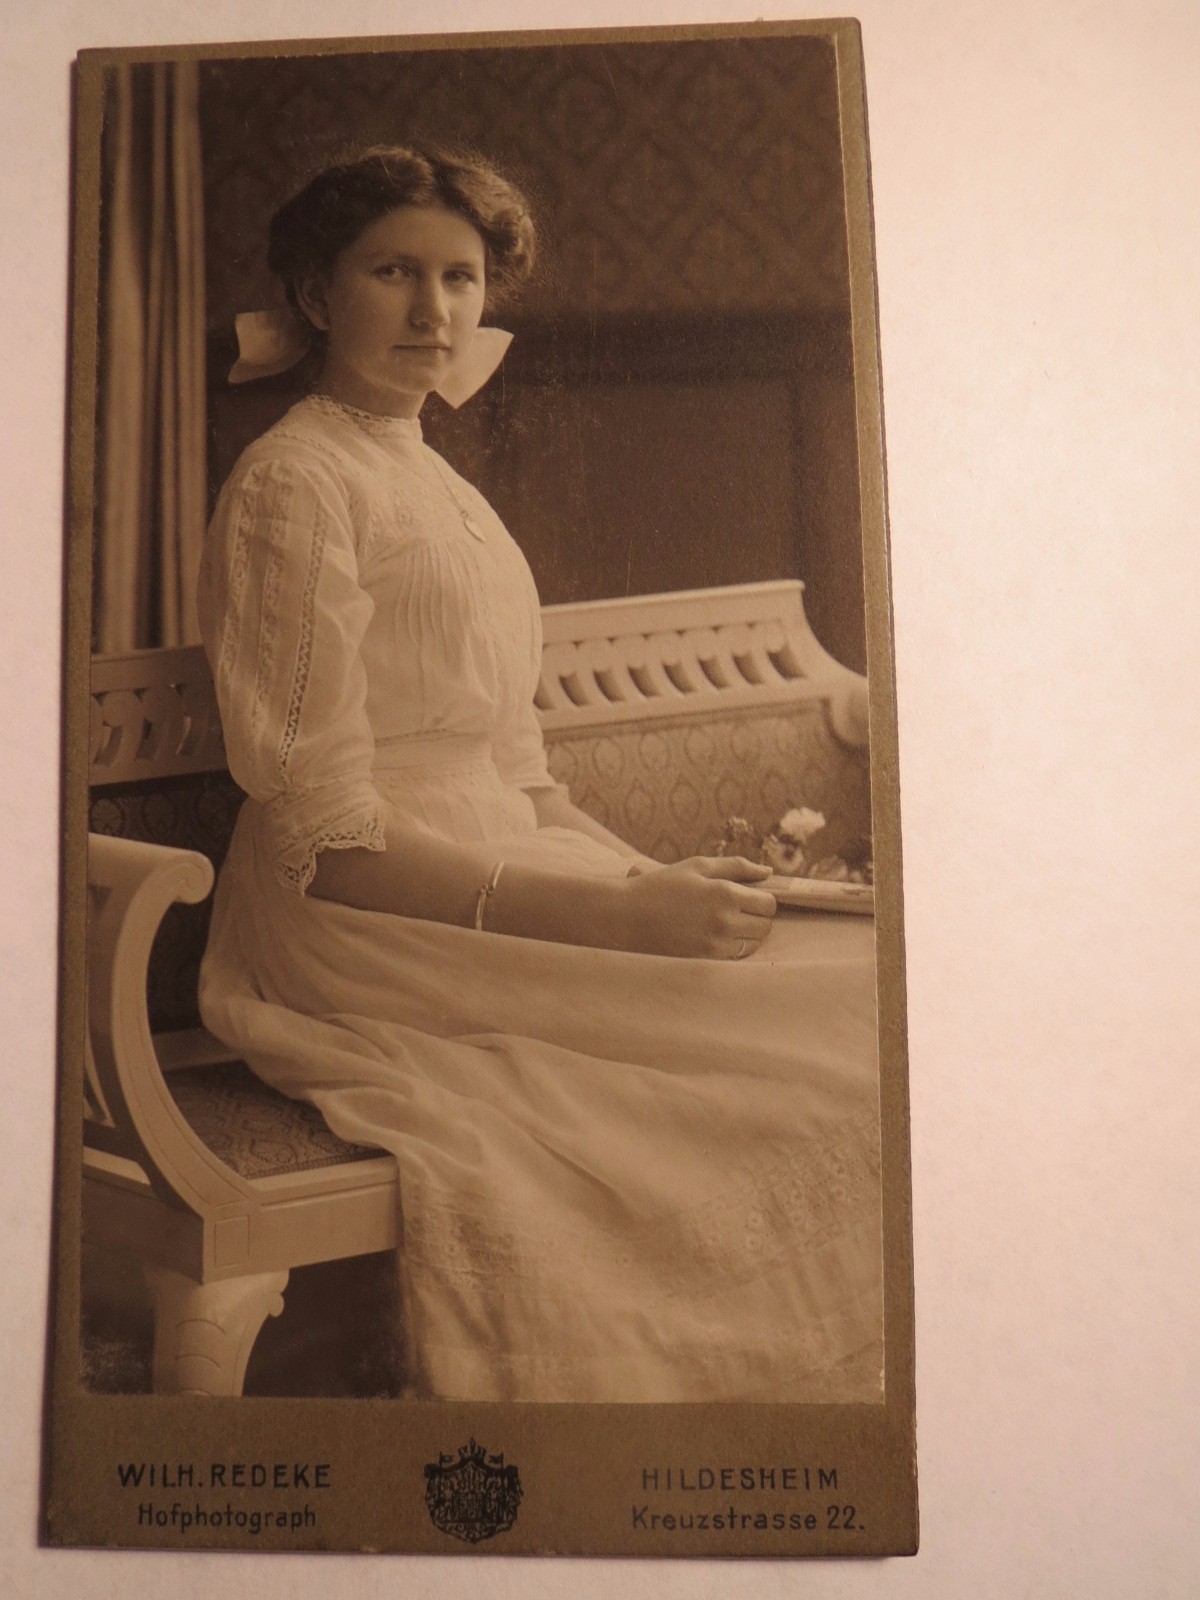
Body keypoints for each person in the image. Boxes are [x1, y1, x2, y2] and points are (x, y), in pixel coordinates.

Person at [197, 144, 884, 1403]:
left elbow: (520, 768)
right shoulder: (292, 485)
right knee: (812, 1057)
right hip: (357, 916)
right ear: (313, 292)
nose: (434, 310)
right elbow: (329, 843)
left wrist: (650, 877)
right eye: (392, 271)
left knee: (848, 994)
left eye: (459, 278)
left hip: (508, 869)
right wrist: (616, 917)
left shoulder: (429, 476)